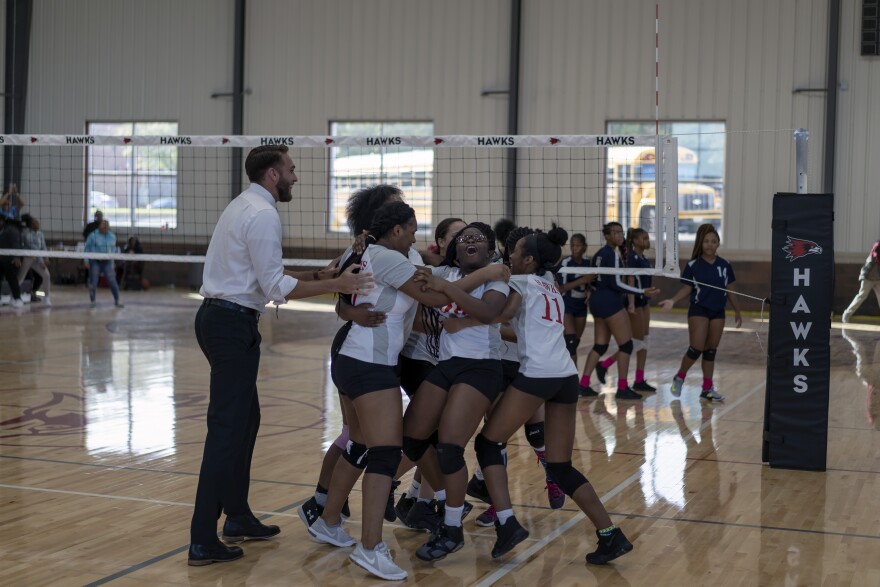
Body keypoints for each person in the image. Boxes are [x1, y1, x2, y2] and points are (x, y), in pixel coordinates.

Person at [188, 144, 373, 567]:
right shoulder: (264, 214)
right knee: (226, 430)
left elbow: (264, 278)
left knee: (245, 421)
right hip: (230, 325)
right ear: (272, 174)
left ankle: (236, 516)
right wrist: (337, 285)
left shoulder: (244, 205)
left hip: (227, 320)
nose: (295, 176)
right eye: (290, 169)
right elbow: (276, 288)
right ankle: (202, 537)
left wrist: (323, 276)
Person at [304, 201, 485, 581]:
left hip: (360, 357)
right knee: (386, 453)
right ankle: (370, 549)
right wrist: (487, 274)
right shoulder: (386, 257)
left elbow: (423, 282)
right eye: (413, 228)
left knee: (362, 444)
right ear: (398, 230)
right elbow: (436, 298)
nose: (416, 235)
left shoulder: (382, 253)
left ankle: (328, 520)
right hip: (368, 361)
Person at [471, 229, 634, 563]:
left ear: (528, 259)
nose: (509, 256)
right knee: (560, 465)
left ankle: (506, 521)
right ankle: (610, 535)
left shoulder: (521, 282)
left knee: (488, 443)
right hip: (566, 376)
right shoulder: (550, 288)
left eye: (514, 252)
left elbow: (501, 315)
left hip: (539, 375)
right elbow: (526, 328)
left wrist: (462, 306)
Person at [403, 222, 510, 562]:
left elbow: (488, 312)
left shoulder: (497, 276)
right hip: (446, 364)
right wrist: (445, 285)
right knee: (413, 436)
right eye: (463, 239)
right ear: (454, 249)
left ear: (490, 250)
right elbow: (431, 298)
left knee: (450, 447)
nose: (470, 241)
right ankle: (436, 501)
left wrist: (450, 290)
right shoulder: (444, 272)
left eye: (478, 238)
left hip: (481, 367)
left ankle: (451, 529)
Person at [659, 223, 743, 402]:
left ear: (718, 243)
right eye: (706, 241)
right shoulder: (693, 265)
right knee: (696, 348)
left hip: (718, 311)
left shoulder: (725, 265)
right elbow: (686, 289)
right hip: (699, 309)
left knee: (711, 351)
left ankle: (707, 389)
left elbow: (731, 289)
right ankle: (680, 377)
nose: (710, 245)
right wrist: (672, 300)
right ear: (700, 243)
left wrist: (737, 310)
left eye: (713, 241)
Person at [577, 222, 657, 399]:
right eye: (615, 233)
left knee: (600, 345)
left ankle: (583, 384)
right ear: (606, 236)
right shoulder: (611, 254)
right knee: (626, 345)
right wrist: (641, 291)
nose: (619, 236)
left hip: (597, 303)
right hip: (610, 302)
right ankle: (622, 388)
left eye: (621, 232)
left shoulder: (598, 254)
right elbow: (617, 284)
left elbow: (592, 280)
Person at [557, 233, 594, 366]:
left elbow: (590, 284)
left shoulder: (588, 263)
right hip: (568, 305)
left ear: (584, 247)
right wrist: (582, 280)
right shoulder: (566, 263)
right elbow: (561, 288)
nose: (574, 248)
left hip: (581, 306)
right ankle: (572, 379)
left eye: (578, 246)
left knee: (575, 343)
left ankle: (565, 373)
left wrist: (589, 289)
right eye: (572, 245)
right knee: (571, 342)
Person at [84, 219, 124, 308]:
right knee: (93, 282)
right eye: (103, 224)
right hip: (95, 261)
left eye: (106, 225)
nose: (105, 226)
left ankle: (117, 300)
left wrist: (113, 262)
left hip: (107, 261)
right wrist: (86, 261)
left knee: (112, 281)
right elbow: (87, 249)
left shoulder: (112, 236)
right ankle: (93, 301)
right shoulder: (92, 235)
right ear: (99, 226)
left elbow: (112, 250)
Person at [842, 239, 880, 323]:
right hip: (868, 278)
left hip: (878, 280)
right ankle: (846, 314)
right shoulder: (877, 247)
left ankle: (846, 315)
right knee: (861, 296)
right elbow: (875, 252)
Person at [17, 215, 52, 306]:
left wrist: (46, 258)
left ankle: (46, 297)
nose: (38, 224)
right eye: (36, 223)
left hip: (38, 259)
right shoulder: (26, 233)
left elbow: (43, 246)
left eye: (38, 223)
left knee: (46, 275)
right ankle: (15, 296)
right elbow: (29, 246)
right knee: (20, 278)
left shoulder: (40, 234)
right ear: (31, 225)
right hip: (28, 257)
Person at [0, 216, 24, 307]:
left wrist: (17, 257)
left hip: (11, 260)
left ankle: (17, 299)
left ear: (2, 221)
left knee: (12, 280)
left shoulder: (11, 230)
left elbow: (15, 243)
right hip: (1, 259)